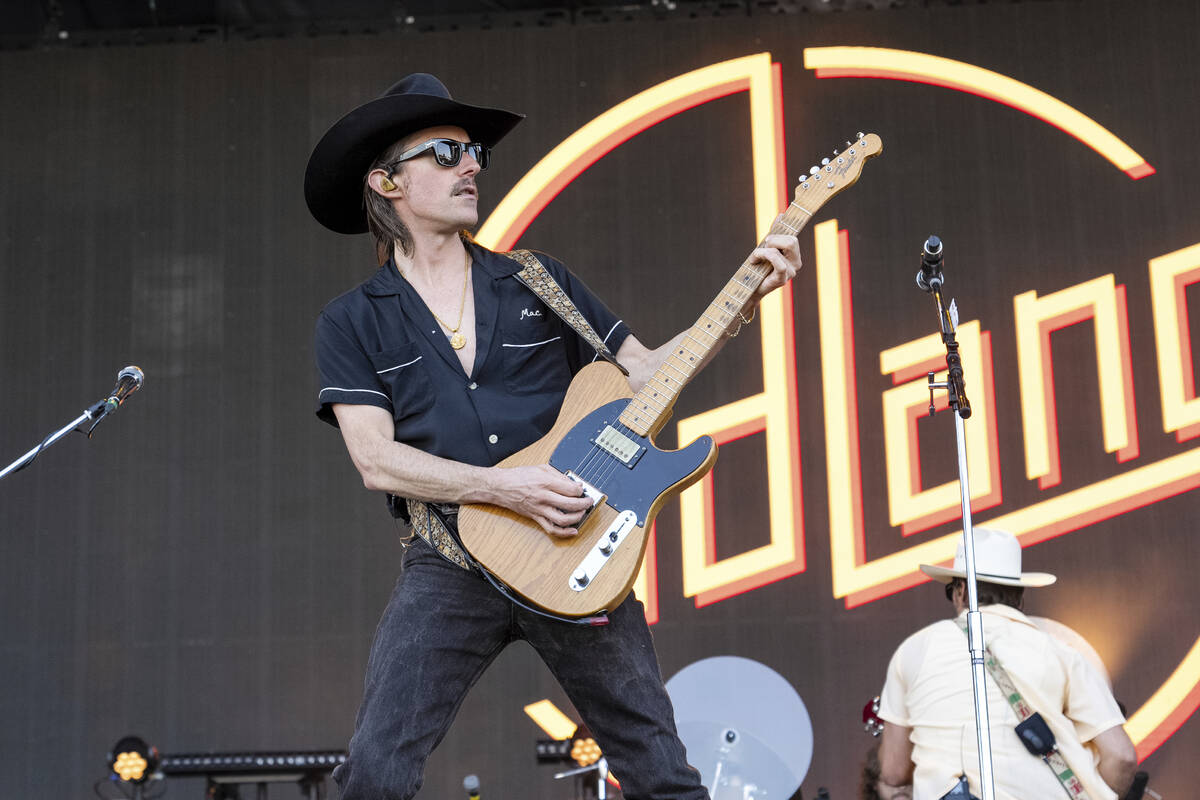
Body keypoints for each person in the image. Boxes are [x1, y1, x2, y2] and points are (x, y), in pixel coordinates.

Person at [304, 73, 801, 800]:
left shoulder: (536, 280)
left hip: (574, 545)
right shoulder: (353, 320)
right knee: (375, 774)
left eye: (475, 152)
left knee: (662, 774)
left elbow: (647, 373)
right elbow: (375, 460)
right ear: (386, 182)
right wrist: (506, 488)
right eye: (446, 153)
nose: (472, 165)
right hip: (451, 565)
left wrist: (742, 298)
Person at [874, 527, 1138, 800]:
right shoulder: (1060, 653)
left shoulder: (914, 650)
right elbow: (1121, 757)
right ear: (1020, 597)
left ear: (961, 591)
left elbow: (894, 773)